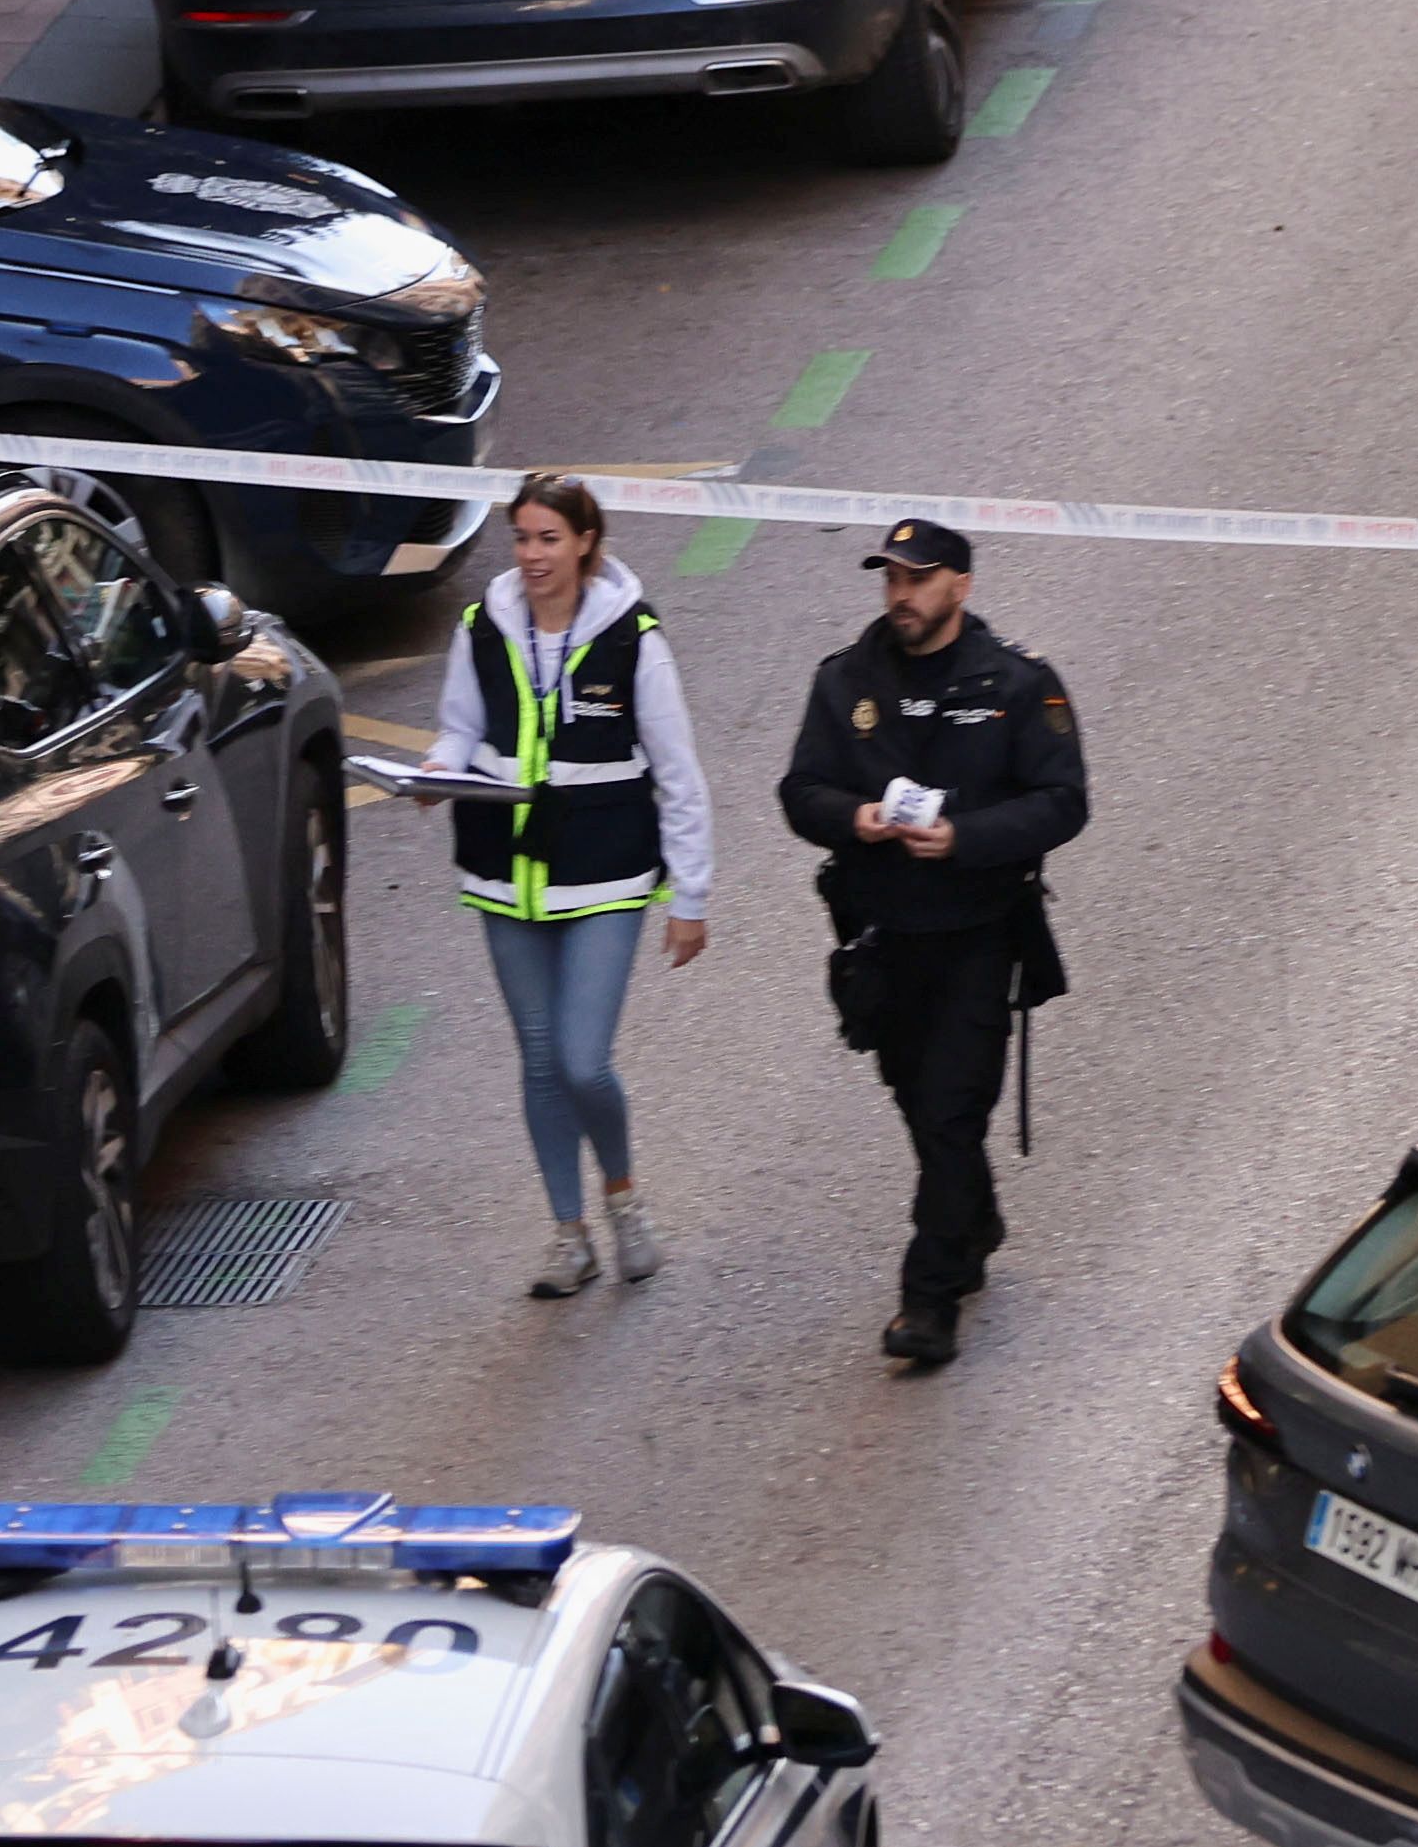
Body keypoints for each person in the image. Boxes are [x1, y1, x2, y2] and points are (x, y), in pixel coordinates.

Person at [777, 514, 1087, 1370]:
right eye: (891, 579)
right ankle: (974, 1219)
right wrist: (857, 817)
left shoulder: (1018, 684)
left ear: (961, 584)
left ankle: (929, 1298)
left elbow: (1063, 801)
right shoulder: (847, 682)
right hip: (882, 939)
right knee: (923, 1107)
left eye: (917, 578)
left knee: (952, 1112)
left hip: (979, 935)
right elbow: (801, 790)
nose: (900, 594)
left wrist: (965, 838)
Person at [437, 473, 715, 1297]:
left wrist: (690, 898)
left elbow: (679, 774)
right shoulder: (481, 626)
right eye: (521, 538)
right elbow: (458, 727)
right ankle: (568, 1234)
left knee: (582, 1061)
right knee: (538, 1060)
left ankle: (623, 1199)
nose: (531, 556)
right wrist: (435, 770)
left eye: (549, 539)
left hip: (605, 879)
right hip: (505, 879)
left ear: (587, 542)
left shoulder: (635, 638)